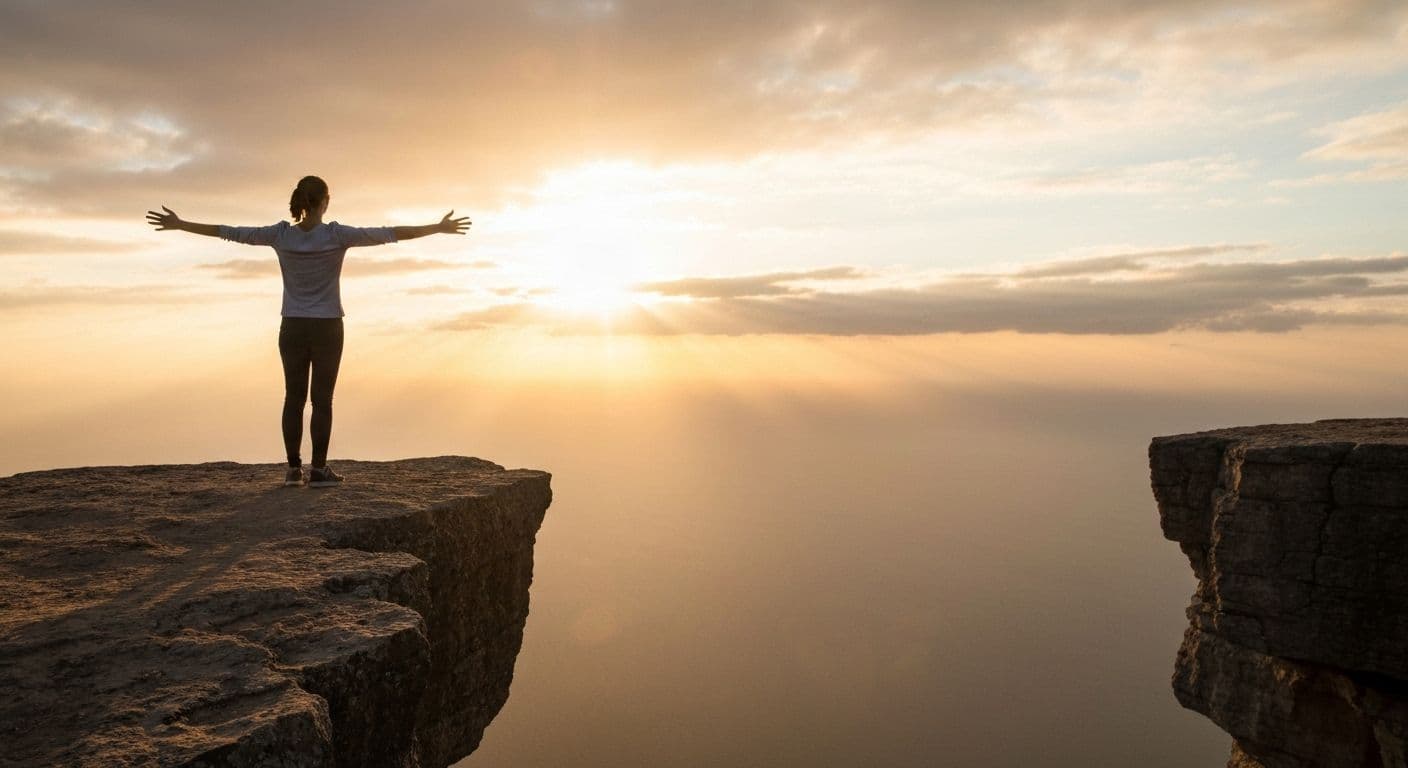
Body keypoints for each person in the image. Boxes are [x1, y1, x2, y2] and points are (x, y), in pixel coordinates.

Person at [145, 175, 471, 487]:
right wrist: (438, 228)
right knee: (322, 401)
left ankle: (291, 470)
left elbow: (229, 232)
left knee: (294, 398)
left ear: (300, 201)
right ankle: (318, 470)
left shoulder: (281, 235)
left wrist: (181, 224)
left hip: (293, 326)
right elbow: (391, 233)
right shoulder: (336, 235)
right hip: (328, 326)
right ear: (325, 202)